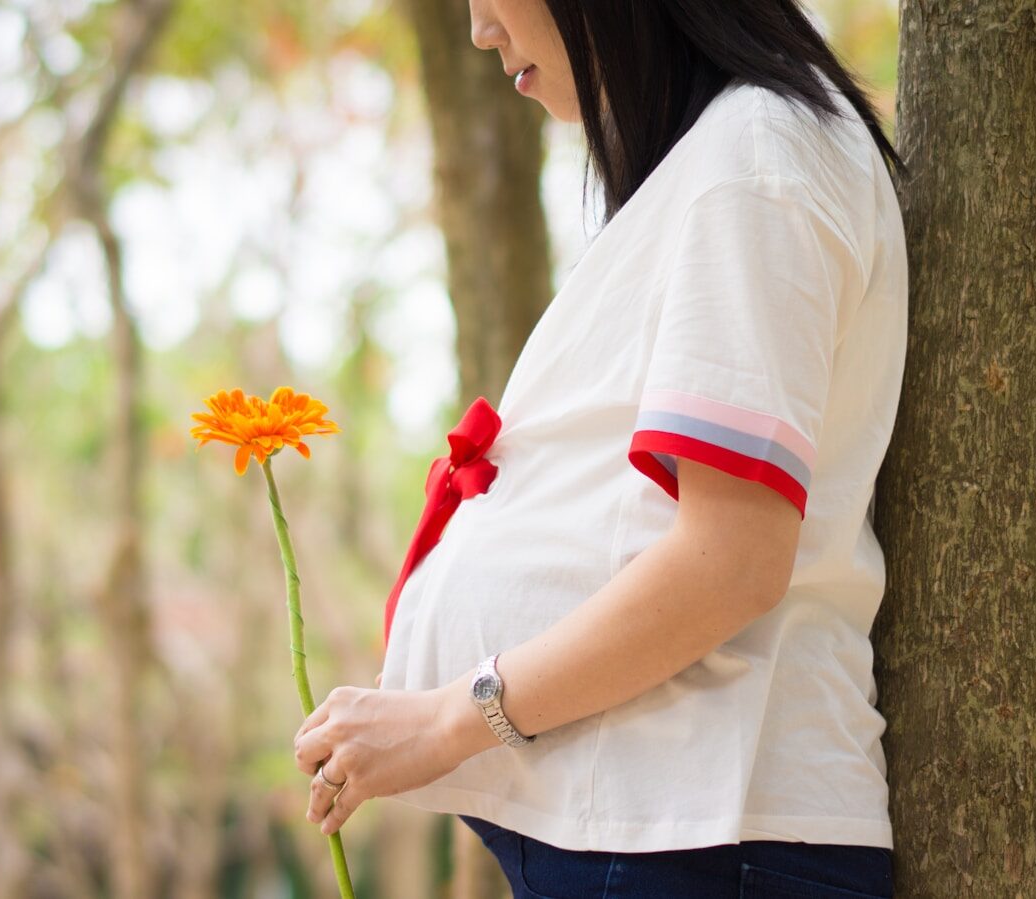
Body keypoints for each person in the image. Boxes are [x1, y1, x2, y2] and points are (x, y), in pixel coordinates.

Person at [291, 0, 910, 894]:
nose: (480, 30)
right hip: (667, 831)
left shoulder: (755, 160)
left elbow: (730, 561)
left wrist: (445, 721)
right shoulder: (726, 158)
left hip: (696, 834)